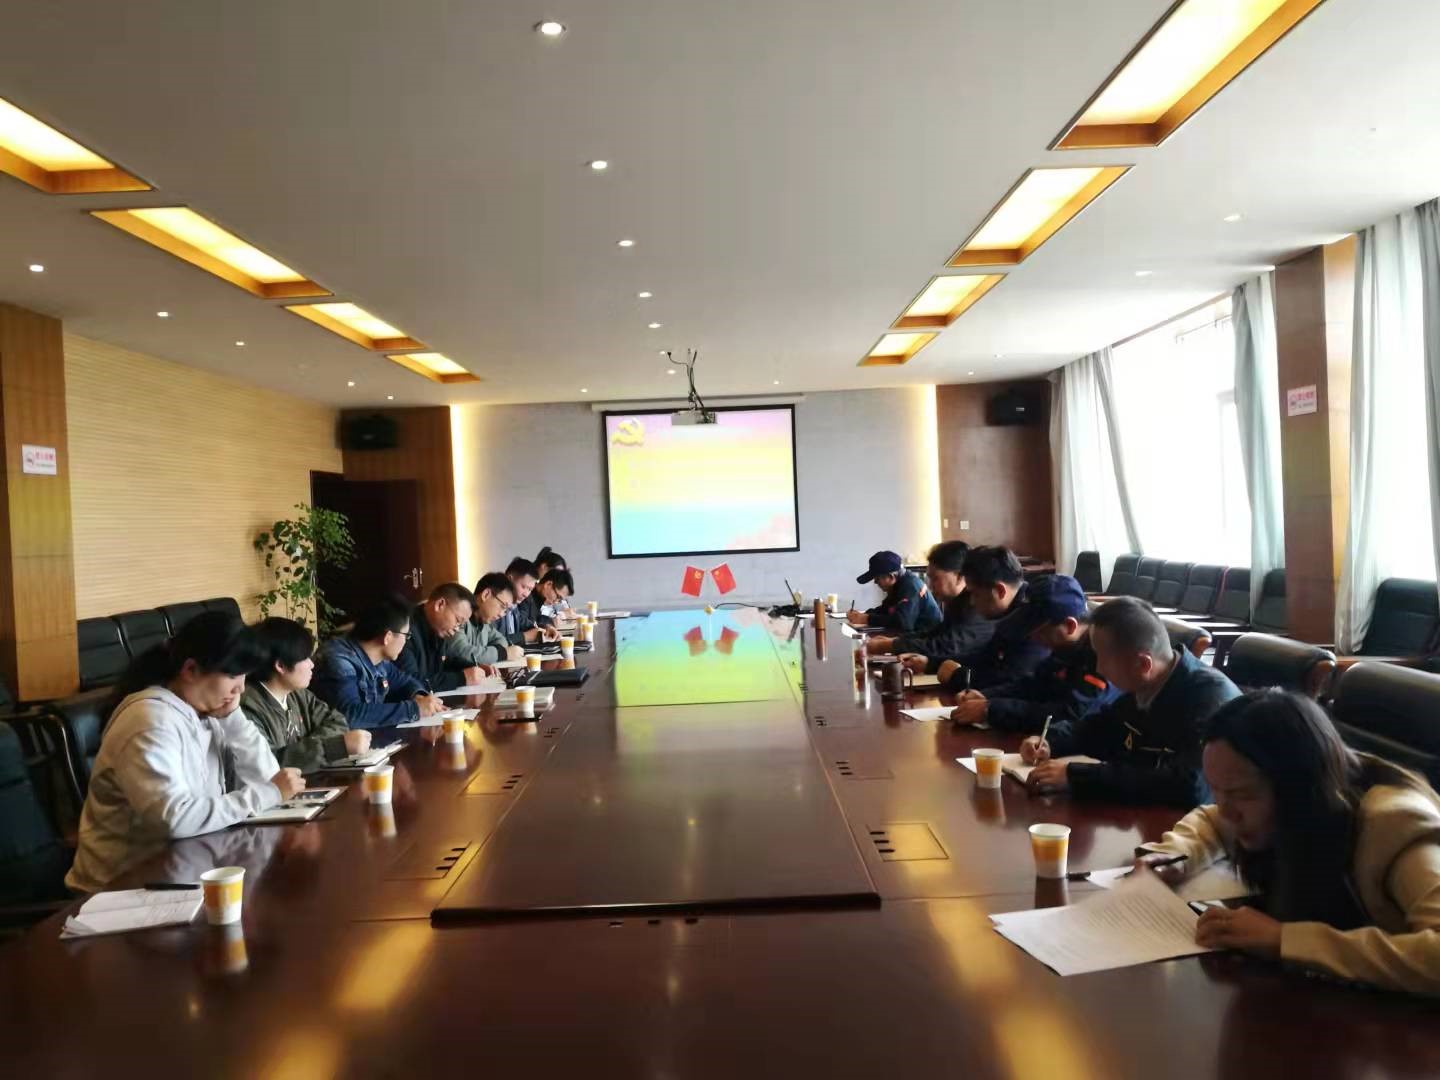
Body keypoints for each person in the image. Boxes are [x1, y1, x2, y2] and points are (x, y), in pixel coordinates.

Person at [1136, 691, 1440, 996]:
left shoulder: (1396, 826)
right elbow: (1212, 819)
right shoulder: (1297, 801)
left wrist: (1283, 939)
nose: (1227, 811)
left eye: (1243, 795)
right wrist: (1178, 853)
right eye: (1216, 790)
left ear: (1300, 790)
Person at [66, 612, 303, 893]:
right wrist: (266, 794)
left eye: (244, 676)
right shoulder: (150, 720)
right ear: (191, 670)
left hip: (183, 872)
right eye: (232, 675)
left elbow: (267, 780)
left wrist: (235, 721)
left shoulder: (207, 713)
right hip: (119, 890)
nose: (240, 688)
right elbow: (174, 818)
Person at [1020, 596, 1240, 806]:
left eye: (1103, 658)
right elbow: (1100, 728)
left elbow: (1189, 784)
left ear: (1143, 664)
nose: (1098, 668)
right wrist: (1050, 741)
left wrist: (1075, 776)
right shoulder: (1147, 682)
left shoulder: (1211, 699)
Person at [950, 574, 1120, 732]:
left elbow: (1069, 714)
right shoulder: (1065, 647)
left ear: (1070, 626)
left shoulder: (1101, 654)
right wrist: (986, 697)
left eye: (1040, 631)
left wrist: (991, 709)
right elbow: (1035, 684)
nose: (1033, 637)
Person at [242, 617, 372, 771]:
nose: (312, 664)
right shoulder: (247, 709)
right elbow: (269, 765)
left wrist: (304, 751)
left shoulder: (298, 694)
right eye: (305, 658)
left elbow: (337, 721)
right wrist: (332, 747)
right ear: (281, 665)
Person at [312, 596, 445, 728]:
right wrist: (413, 709)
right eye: (406, 635)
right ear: (387, 637)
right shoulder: (338, 661)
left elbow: (404, 681)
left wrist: (418, 696)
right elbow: (350, 715)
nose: (406, 641)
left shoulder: (378, 659)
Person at [937, 545, 1050, 691]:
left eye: (976, 594)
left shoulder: (1034, 613)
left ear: (1000, 591)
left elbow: (1014, 678)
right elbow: (986, 657)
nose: (972, 602)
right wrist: (932, 663)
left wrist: (958, 676)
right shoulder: (1010, 612)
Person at [865, 540, 994, 664]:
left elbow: (946, 646)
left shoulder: (977, 605)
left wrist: (890, 645)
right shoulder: (957, 602)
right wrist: (896, 640)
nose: (931, 587)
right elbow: (936, 633)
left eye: (936, 579)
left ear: (960, 576)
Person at [397, 582, 489, 692]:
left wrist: (472, 667)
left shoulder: (438, 628)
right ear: (440, 604)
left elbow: (447, 661)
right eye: (458, 621)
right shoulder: (404, 629)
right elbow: (409, 681)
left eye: (461, 625)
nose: (457, 628)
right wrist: (461, 678)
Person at [845, 550, 942, 634]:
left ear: (891, 577)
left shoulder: (910, 586)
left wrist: (866, 619)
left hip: (927, 640)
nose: (875, 582)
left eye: (877, 578)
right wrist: (860, 615)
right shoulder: (899, 585)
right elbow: (886, 609)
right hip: (913, 637)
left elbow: (903, 622)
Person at [450, 572, 523, 666]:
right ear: (486, 595)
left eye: (506, 610)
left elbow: (501, 639)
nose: (502, 614)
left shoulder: (485, 623)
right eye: (502, 606)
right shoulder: (458, 616)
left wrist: (486, 655)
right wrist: (502, 654)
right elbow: (461, 652)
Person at [494, 557, 559, 644]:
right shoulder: (494, 606)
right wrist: (525, 636)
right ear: (509, 579)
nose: (526, 594)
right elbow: (492, 643)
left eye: (530, 589)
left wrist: (545, 628)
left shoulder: (514, 606)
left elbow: (524, 623)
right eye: (524, 587)